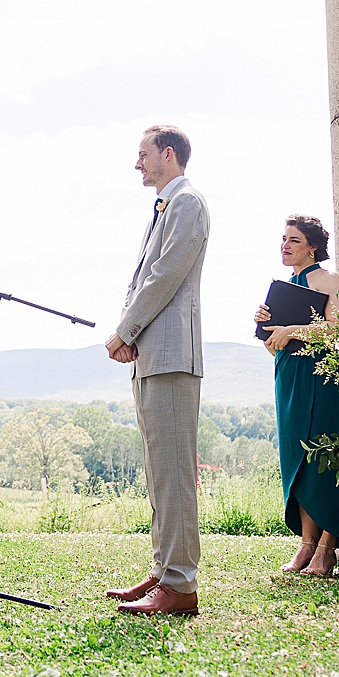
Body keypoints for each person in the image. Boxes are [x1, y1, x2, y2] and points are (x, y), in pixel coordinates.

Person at [102, 125, 210, 616]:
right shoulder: (167, 205)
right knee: (158, 471)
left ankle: (180, 585)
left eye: (142, 154)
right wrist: (134, 339)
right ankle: (164, 568)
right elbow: (147, 277)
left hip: (170, 355)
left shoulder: (188, 203)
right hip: (154, 353)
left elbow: (165, 276)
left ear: (169, 154)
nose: (137, 163)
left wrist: (126, 331)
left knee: (172, 473)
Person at [255, 215, 339, 579]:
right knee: (297, 457)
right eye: (283, 239)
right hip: (289, 375)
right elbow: (273, 345)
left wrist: (291, 328)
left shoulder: (329, 280)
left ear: (312, 246)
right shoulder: (284, 287)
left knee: (325, 457)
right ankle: (307, 545)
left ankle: (328, 550)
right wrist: (267, 328)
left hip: (323, 377)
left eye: (293, 240)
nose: (285, 246)